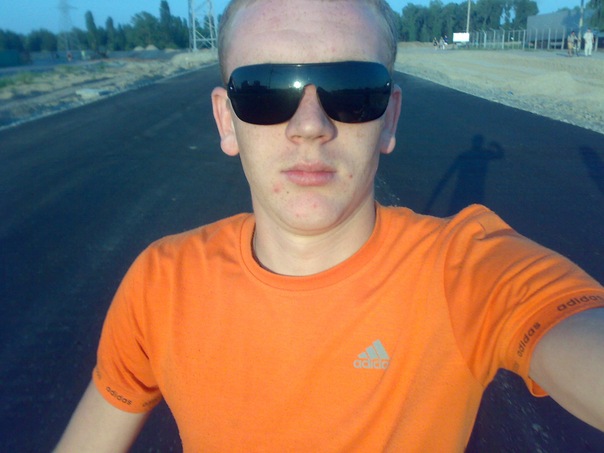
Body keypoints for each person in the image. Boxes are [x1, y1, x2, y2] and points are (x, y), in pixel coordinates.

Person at [55, 0, 604, 451]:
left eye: (352, 91)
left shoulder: (466, 270)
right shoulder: (161, 284)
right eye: (266, 91)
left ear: (389, 118)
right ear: (226, 120)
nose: (310, 125)